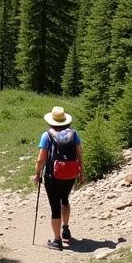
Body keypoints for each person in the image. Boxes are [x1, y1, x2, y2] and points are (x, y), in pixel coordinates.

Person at [33, 106, 83, 251]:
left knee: (55, 207)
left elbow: (41, 160)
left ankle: (57, 240)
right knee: (65, 199)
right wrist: (81, 172)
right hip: (71, 173)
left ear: (52, 121)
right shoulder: (74, 134)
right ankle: (66, 229)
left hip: (52, 175)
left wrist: (37, 174)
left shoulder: (47, 135)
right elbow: (79, 154)